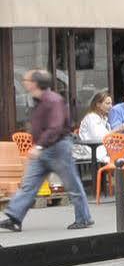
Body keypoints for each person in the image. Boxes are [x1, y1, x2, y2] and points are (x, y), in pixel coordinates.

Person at [0, 69, 93, 232]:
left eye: (27, 81)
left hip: (57, 148)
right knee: (29, 184)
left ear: (35, 83)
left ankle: (84, 218)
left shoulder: (53, 100)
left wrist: (39, 146)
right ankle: (15, 218)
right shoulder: (39, 100)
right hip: (44, 148)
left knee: (72, 183)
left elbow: (55, 126)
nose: (24, 83)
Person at [77, 91, 114, 162]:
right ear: (98, 104)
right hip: (93, 152)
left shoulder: (104, 118)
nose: (110, 106)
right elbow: (100, 138)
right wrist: (119, 129)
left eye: (111, 103)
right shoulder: (91, 118)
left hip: (104, 151)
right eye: (107, 103)